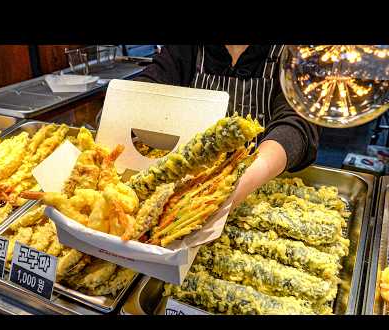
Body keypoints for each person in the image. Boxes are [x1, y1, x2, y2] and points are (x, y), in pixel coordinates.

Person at [133, 45, 320, 208]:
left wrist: (248, 177)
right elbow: (148, 87)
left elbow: (297, 122)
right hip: (188, 184)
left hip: (261, 183)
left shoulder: (291, 53)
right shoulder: (187, 49)